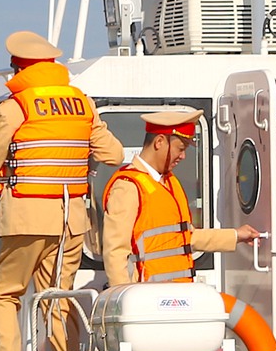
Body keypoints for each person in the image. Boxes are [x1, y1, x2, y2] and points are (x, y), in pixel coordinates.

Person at [0, 31, 126, 351]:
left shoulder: (14, 107)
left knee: (6, 293)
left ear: (18, 68)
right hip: (71, 218)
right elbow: (115, 155)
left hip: (25, 215)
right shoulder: (82, 104)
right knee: (59, 291)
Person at [100, 106, 258, 283]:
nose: (183, 156)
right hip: (146, 300)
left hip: (177, 297)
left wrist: (236, 236)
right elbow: (115, 252)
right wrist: (124, 301)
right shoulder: (128, 186)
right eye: (180, 148)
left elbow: (187, 237)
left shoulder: (168, 183)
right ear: (159, 142)